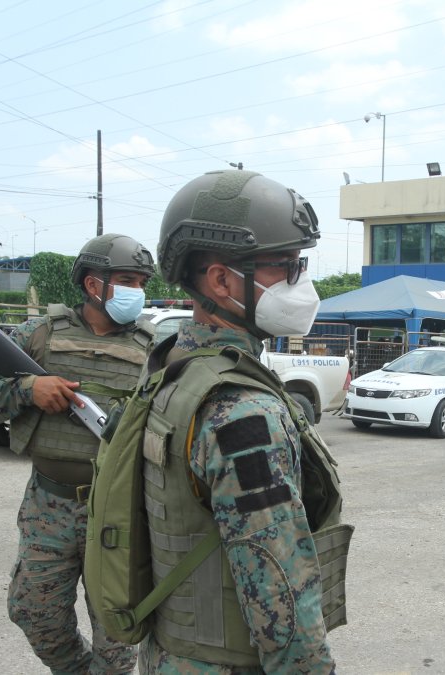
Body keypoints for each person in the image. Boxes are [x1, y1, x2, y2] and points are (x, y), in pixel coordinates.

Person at [140, 169, 342, 672]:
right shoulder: (245, 413)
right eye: (287, 266)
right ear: (222, 280)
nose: (302, 283)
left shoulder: (170, 367)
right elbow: (280, 595)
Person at [0, 234, 155, 673]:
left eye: (141, 282)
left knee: (118, 631)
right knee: (34, 612)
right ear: (93, 284)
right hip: (48, 502)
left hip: (119, 509)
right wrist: (28, 388)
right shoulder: (39, 334)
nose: (137, 291)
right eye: (127, 280)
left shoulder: (153, 348)